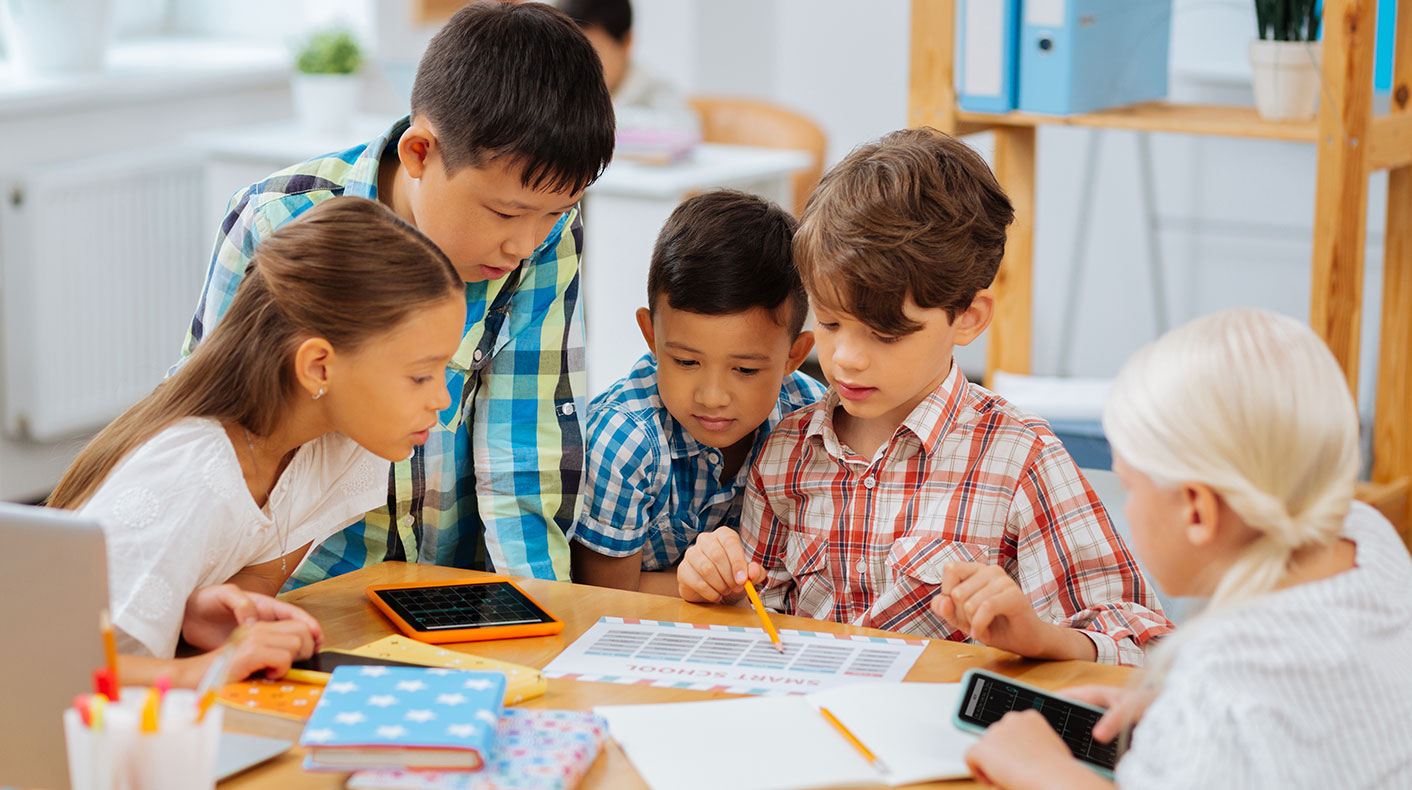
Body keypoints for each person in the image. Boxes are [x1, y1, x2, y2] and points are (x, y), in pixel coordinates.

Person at [678, 128, 1170, 665]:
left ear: (968, 318)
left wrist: (1042, 637)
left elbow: (1146, 648)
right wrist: (718, 585)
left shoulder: (1019, 459)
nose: (846, 357)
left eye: (884, 334)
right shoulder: (788, 451)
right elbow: (758, 624)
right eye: (830, 321)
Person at [180, 1, 616, 587]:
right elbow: (214, 432)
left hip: (450, 591)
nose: (524, 243)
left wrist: (538, 607)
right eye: (505, 212)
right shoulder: (276, 221)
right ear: (419, 152)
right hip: (296, 588)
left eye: (555, 213)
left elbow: (524, 456)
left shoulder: (544, 237)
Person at [963, 308, 1412, 788]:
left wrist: (1043, 771)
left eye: (1130, 486)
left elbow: (1241, 699)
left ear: (1197, 510)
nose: (1128, 507)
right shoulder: (1367, 537)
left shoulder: (1219, 682)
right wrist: (1174, 714)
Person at [51, 198, 465, 686]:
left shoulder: (338, 445)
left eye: (444, 370)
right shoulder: (190, 474)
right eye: (420, 376)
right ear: (318, 366)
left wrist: (198, 612)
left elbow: (256, 582)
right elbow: (41, 667)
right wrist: (207, 671)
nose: (442, 398)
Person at [571, 190, 823, 594]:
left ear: (795, 355)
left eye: (745, 369)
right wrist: (708, 593)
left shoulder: (811, 421)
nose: (712, 396)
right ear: (651, 336)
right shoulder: (624, 441)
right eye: (687, 362)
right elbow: (605, 595)